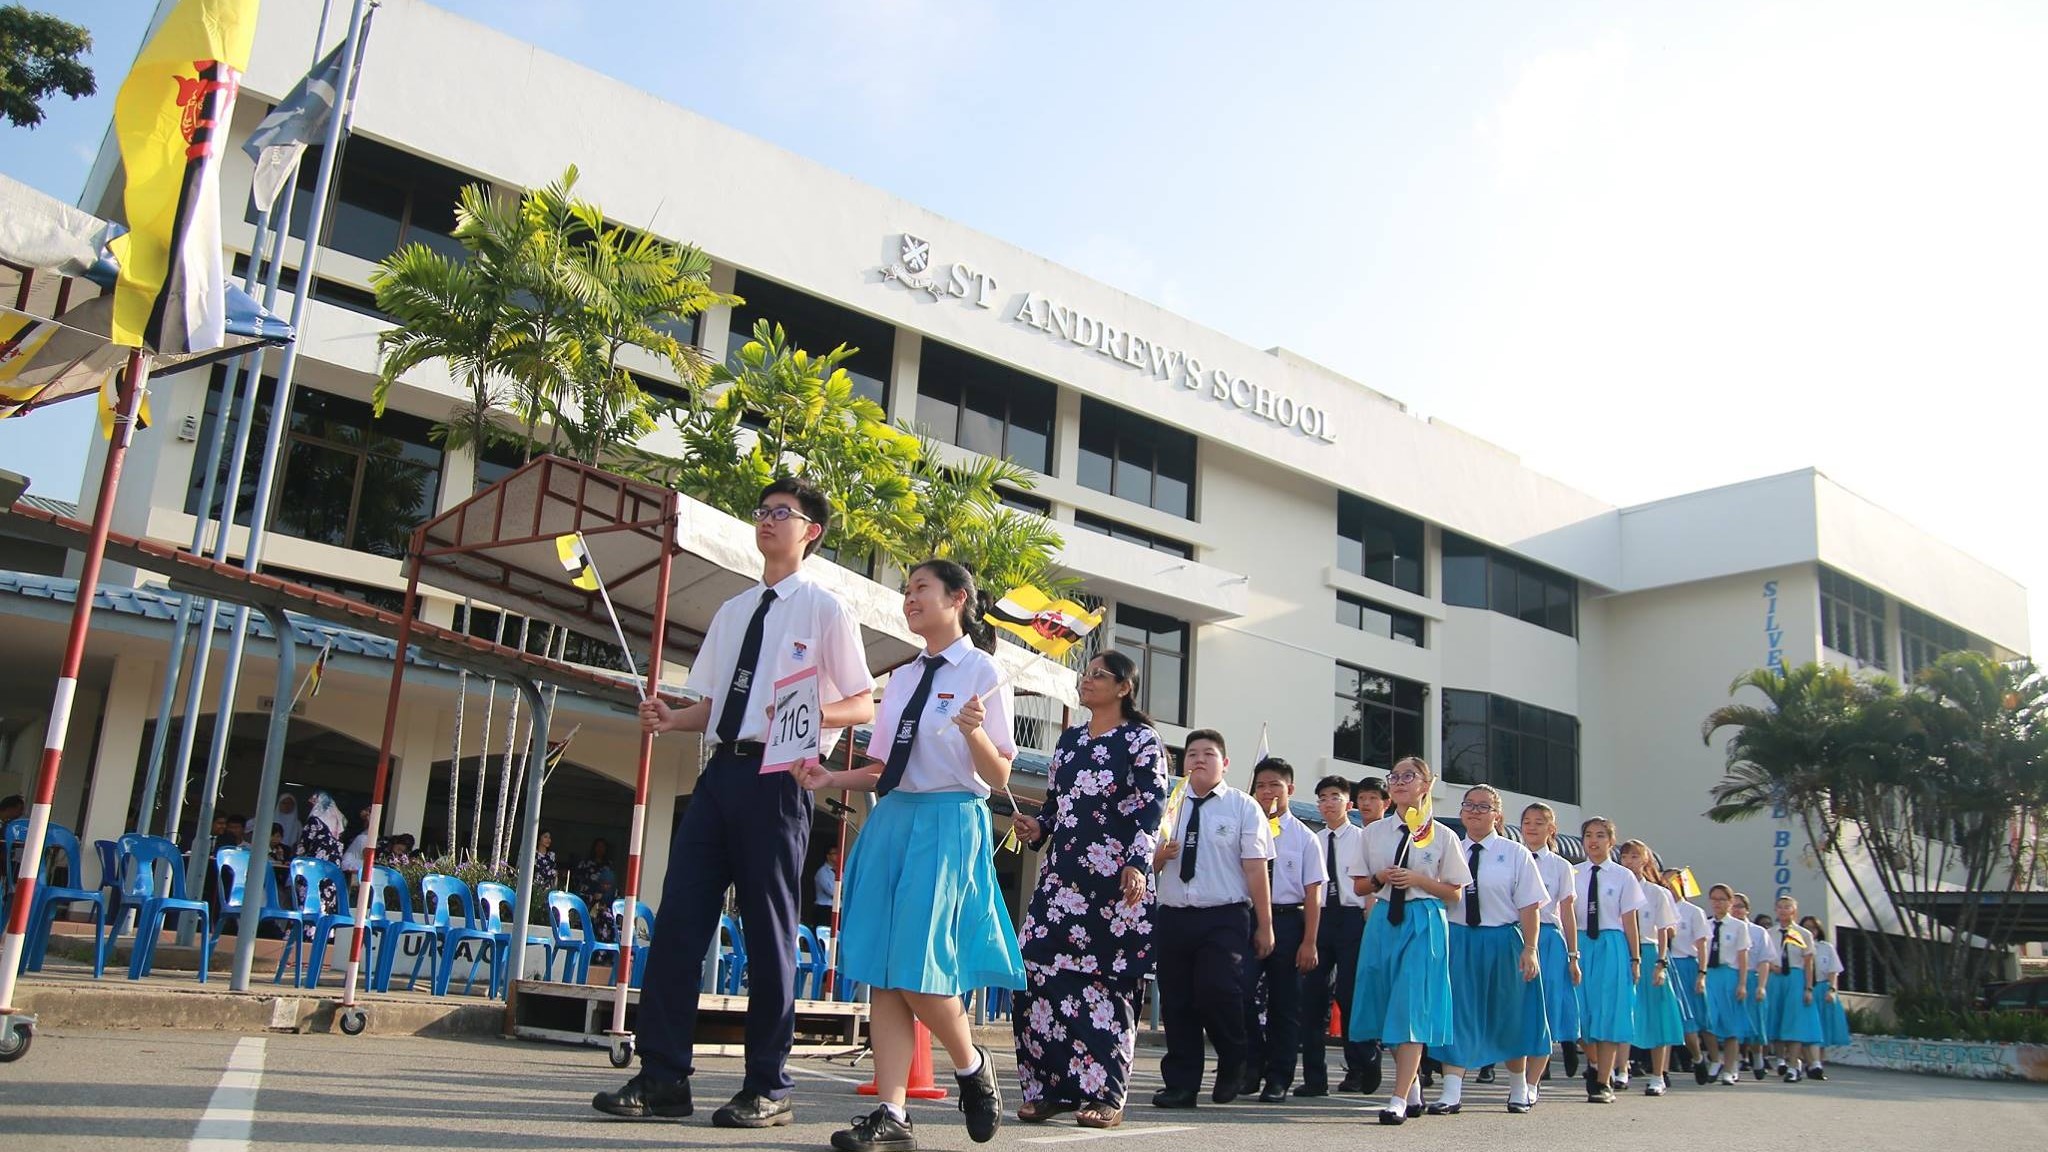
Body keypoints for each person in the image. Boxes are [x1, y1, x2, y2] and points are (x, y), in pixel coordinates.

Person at [597, 476, 876, 1129]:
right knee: (677, 925)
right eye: (763, 511)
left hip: (780, 778)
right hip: (720, 774)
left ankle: (768, 1086)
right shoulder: (733, 611)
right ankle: (663, 1076)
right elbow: (715, 706)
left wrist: (807, 711)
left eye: (784, 512)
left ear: (812, 531)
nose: (768, 521)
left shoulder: (824, 609)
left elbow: (864, 702)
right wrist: (670, 716)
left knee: (769, 932)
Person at [796, 559, 1020, 1152]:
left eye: (921, 588)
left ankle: (972, 1065)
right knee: (883, 971)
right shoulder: (899, 677)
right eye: (907, 590)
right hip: (893, 818)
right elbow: (882, 767)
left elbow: (997, 773)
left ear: (959, 598)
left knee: (919, 969)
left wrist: (973, 731)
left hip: (950, 820)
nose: (910, 598)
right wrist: (827, 778)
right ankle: (891, 1113)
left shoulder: (983, 671)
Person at [1010, 650, 1167, 1130]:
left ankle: (1106, 1095)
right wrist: (1037, 827)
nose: (1087, 680)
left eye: (1100, 675)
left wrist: (1137, 864)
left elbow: (1151, 806)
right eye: (1087, 673)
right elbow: (1057, 806)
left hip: (1118, 881)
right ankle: (1048, 1089)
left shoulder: (1142, 740)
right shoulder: (1070, 740)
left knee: (1106, 984)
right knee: (1036, 969)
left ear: (1124, 687)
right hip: (1062, 879)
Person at [1149, 728, 1274, 1109]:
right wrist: (1159, 857)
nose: (1199, 760)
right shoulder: (1167, 805)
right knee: (1178, 1001)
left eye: (1208, 753)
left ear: (1225, 763)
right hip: (1173, 914)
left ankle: (1235, 1058)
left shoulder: (1242, 806)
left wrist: (1265, 925)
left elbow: (1256, 870)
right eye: (1191, 754)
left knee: (1217, 990)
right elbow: (1144, 864)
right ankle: (1182, 1084)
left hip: (1224, 915)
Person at [1346, 756, 1472, 1126]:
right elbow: (1359, 885)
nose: (1400, 782)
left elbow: (1455, 893)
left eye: (1409, 776)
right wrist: (1381, 878)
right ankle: (1412, 1084)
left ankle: (1398, 1098)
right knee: (1386, 1001)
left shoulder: (1443, 835)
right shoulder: (1373, 832)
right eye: (1395, 776)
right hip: (1385, 918)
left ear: (1426, 785)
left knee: (1412, 1003)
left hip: (1424, 918)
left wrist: (1418, 879)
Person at [1430, 785, 1549, 1116]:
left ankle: (1517, 1088)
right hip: (1459, 938)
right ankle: (1451, 1091)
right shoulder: (1450, 849)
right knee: (1456, 1012)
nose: (1474, 811)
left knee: (1509, 1013)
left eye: (1483, 806)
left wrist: (1530, 947)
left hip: (1501, 939)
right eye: (1468, 805)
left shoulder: (1514, 853)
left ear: (1497, 814)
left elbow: (1529, 905)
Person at [1239, 756, 1324, 1103]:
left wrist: (1310, 942)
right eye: (1260, 785)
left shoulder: (1306, 838)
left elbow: (1314, 894)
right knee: (1237, 992)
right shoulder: (1244, 827)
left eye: (1275, 784)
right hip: (1247, 918)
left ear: (1289, 789)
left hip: (1289, 921)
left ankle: (1279, 1077)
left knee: (1284, 1004)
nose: (1267, 791)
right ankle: (1251, 1065)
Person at [1300, 773, 1372, 1098]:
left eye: (1335, 797)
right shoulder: (1314, 840)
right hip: (1321, 917)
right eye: (1323, 798)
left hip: (1353, 917)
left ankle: (1360, 1067)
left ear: (1349, 803)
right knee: (1312, 996)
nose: (1328, 804)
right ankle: (1315, 1078)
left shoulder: (1362, 838)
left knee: (1350, 994)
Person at [1573, 816, 1644, 1104]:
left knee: (1610, 1012)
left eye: (1601, 835)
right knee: (1579, 1012)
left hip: (1611, 944)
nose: (1594, 840)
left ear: (1611, 841)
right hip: (1579, 944)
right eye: (1589, 835)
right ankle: (1592, 1062)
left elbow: (1629, 920)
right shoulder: (1573, 872)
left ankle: (1604, 1080)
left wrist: (1635, 957)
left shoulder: (1622, 876)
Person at [1519, 803, 1579, 1098]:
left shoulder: (1560, 866)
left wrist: (1573, 955)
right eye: (1527, 822)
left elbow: (1567, 912)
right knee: (1516, 1008)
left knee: (1546, 1009)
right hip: (1516, 937)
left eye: (1539, 822)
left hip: (1549, 940)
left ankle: (1533, 1082)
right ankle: (1517, 1078)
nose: (1532, 827)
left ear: (1551, 829)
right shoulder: (1512, 857)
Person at [1619, 840, 1684, 1097]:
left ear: (1645, 860)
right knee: (1624, 1010)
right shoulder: (1616, 885)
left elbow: (1663, 930)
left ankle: (1658, 1075)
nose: (1629, 861)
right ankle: (1621, 1069)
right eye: (1624, 856)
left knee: (1658, 1014)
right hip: (1622, 950)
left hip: (1649, 951)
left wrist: (1661, 963)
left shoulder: (1658, 893)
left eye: (1635, 856)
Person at [1697, 883, 1753, 1085]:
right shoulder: (1706, 924)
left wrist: (1742, 983)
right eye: (1714, 899)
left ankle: (1730, 1068)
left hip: (1729, 974)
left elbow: (1743, 956)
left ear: (1730, 902)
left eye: (1722, 899)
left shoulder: (1739, 926)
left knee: (1731, 1025)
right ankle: (1715, 1058)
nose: (1717, 903)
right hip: (1710, 975)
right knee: (1708, 1021)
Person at [1765, 895, 1824, 1082]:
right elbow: (1764, 957)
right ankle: (1781, 1059)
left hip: (1795, 977)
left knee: (1795, 1021)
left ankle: (1793, 1066)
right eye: (1780, 907)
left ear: (1794, 911)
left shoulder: (1803, 934)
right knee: (1777, 1019)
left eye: (1787, 907)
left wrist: (1808, 987)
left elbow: (1808, 963)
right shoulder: (1770, 933)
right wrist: (1772, 968)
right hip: (1776, 978)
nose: (1783, 910)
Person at [1661, 868, 1711, 1081]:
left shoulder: (1693, 912)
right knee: (1665, 1017)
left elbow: (1702, 945)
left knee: (1686, 1021)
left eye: (1672, 883)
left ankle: (1698, 1057)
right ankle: (1662, 1071)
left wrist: (1702, 973)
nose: (1668, 887)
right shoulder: (1658, 905)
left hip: (1687, 966)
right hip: (1665, 963)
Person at [1800, 915, 1848, 1078]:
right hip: (1805, 988)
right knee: (1807, 1027)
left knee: (1822, 1028)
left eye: (1813, 928)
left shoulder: (1826, 947)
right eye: (1806, 927)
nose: (1810, 931)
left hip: (1822, 987)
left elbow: (1833, 970)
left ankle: (1817, 1063)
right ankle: (1809, 1062)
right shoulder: (1797, 946)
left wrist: (1832, 989)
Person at [1734, 897, 1776, 1075]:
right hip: (1730, 976)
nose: (1736, 910)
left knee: (1755, 1021)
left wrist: (1761, 986)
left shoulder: (1758, 932)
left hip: (1752, 978)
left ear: (1747, 910)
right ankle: (1734, 1062)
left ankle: (1757, 1057)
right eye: (1733, 906)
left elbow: (1764, 960)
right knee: (1733, 1022)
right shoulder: (1722, 927)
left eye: (1740, 906)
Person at [573, 837, 619, 945]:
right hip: (588, 900)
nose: (600, 849)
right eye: (598, 846)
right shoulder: (585, 863)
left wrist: (603, 898)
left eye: (602, 847)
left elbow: (612, 890)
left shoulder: (608, 865)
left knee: (608, 919)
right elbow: (578, 881)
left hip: (605, 902)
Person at [811, 846, 840, 929]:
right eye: (835, 853)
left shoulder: (840, 872)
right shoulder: (822, 872)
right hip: (824, 909)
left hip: (837, 908)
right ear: (828, 856)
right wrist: (841, 892)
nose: (838, 856)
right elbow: (831, 891)